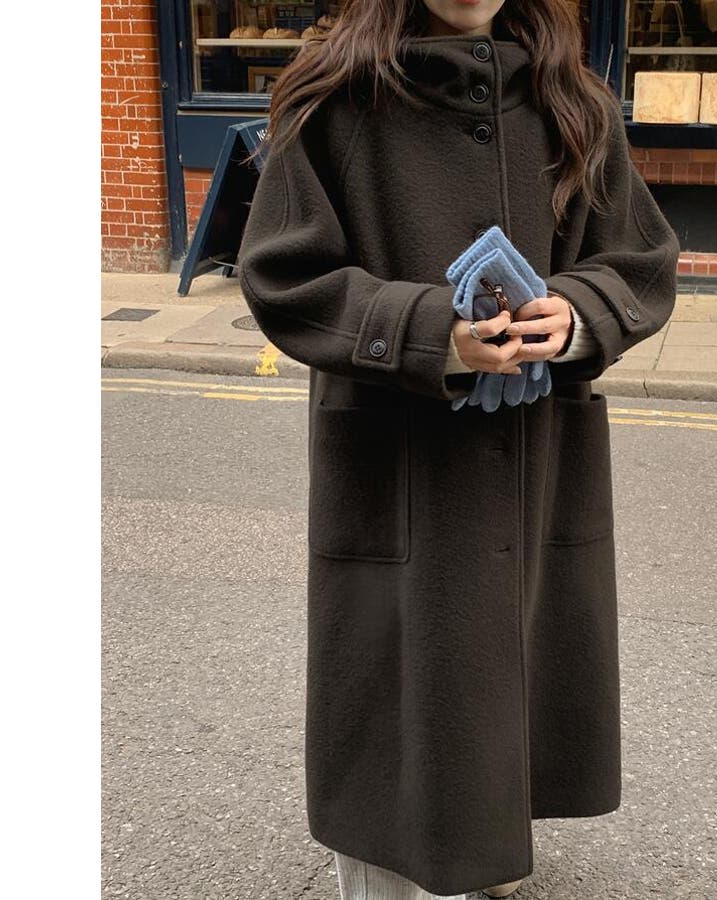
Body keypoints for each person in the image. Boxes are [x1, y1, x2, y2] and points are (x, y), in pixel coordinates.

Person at [237, 1, 679, 898]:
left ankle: (488, 849)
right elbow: (284, 274)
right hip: (396, 461)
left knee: (504, 674)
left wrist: (579, 312)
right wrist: (432, 331)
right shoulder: (335, 95)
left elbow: (639, 259)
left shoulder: (573, 99)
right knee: (394, 696)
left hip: (536, 456)